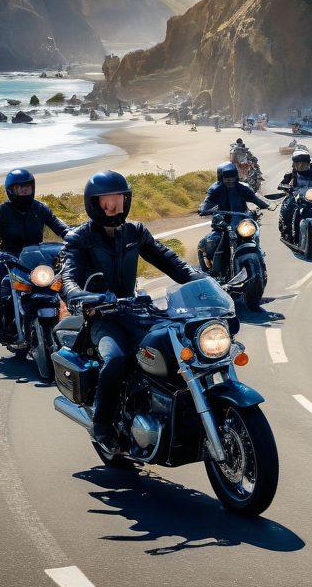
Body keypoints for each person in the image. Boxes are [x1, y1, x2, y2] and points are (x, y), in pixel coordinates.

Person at [61, 170, 197, 452]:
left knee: (180, 347)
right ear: (93, 204)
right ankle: (102, 425)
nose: (113, 206)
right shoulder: (79, 239)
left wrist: (203, 281)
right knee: (116, 359)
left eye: (119, 199)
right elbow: (68, 278)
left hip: (135, 310)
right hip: (102, 317)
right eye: (106, 201)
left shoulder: (135, 232)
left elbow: (170, 262)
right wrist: (81, 296)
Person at [0, 168, 70, 340]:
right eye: (19, 188)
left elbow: (62, 228)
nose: (24, 191)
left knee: (66, 277)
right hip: (9, 259)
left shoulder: (40, 208)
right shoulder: (1, 211)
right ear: (11, 190)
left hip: (37, 258)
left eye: (27, 188)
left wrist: (77, 238)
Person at [197, 162, 271, 273]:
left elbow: (255, 199)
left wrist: (266, 205)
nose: (230, 181)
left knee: (254, 235)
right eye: (227, 179)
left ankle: (260, 261)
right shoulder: (215, 189)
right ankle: (215, 272)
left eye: (233, 178)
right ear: (221, 178)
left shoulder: (243, 188)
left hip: (241, 223)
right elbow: (206, 203)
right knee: (212, 241)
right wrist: (203, 209)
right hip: (222, 224)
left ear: (236, 177)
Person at [277, 148, 312, 241]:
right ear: (294, 164)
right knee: (286, 208)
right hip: (295, 196)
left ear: (308, 163)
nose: (301, 166)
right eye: (298, 164)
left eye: (304, 163)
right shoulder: (291, 174)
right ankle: (286, 232)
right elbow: (281, 184)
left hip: (311, 196)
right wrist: (285, 186)